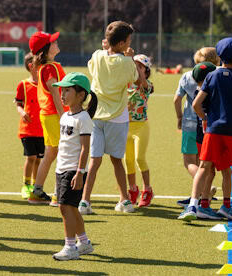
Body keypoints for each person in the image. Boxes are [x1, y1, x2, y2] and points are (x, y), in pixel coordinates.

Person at [187, 37, 232, 224]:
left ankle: (193, 205)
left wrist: (204, 119)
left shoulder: (212, 76)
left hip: (213, 130)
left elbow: (196, 104)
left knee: (204, 167)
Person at [81, 21, 143, 214]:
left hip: (96, 115)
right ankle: (124, 200)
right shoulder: (126, 62)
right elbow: (137, 80)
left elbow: (93, 67)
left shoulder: (97, 56)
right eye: (129, 40)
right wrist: (131, 58)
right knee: (117, 160)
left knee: (94, 160)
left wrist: (105, 49)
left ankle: (84, 201)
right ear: (123, 43)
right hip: (117, 117)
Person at [175, 48, 230, 213]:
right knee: (204, 161)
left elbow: (177, 99)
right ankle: (201, 195)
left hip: (190, 122)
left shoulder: (187, 76)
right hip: (212, 123)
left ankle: (203, 190)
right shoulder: (220, 75)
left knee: (189, 162)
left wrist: (179, 117)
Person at [49, 72, 98, 261]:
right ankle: (84, 243)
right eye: (62, 90)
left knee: (65, 207)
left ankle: (70, 246)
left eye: (67, 90)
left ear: (80, 95)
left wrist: (79, 172)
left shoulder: (83, 118)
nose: (62, 94)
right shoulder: (65, 116)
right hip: (62, 168)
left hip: (73, 169)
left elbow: (85, 148)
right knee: (70, 207)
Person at [28, 31, 66, 205]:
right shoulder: (49, 68)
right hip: (53, 116)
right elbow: (56, 93)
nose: (56, 42)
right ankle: (59, 194)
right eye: (52, 41)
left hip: (50, 116)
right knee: (62, 153)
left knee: (51, 153)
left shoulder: (49, 66)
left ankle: (37, 191)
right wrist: (64, 116)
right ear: (45, 49)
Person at [124, 54, 154, 207]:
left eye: (140, 66)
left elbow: (141, 80)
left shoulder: (146, 84)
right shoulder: (126, 84)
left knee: (139, 159)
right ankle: (132, 190)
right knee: (128, 161)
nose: (136, 68)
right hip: (125, 127)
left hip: (141, 126)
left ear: (146, 70)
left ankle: (147, 190)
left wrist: (130, 60)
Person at [14, 54, 44, 200]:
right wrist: (22, 112)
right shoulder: (23, 85)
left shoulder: (45, 85)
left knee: (39, 159)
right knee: (31, 157)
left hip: (43, 129)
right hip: (27, 129)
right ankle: (25, 185)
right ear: (31, 66)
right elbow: (18, 103)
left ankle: (35, 184)